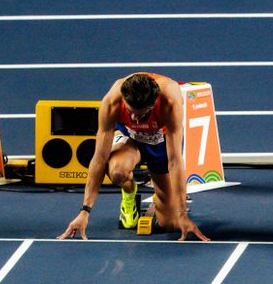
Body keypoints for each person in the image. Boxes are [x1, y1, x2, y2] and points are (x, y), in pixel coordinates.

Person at [59, 72, 207, 240]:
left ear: (153, 104)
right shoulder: (112, 101)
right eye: (131, 112)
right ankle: (129, 194)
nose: (136, 118)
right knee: (117, 172)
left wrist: (182, 214)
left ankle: (161, 199)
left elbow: (175, 161)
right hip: (129, 139)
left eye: (142, 114)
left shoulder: (169, 101)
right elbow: (99, 158)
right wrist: (85, 211)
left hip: (158, 141)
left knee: (170, 224)